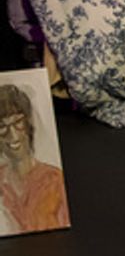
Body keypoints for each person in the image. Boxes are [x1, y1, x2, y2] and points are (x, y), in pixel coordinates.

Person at [0, 85, 69, 234]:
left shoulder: (53, 180)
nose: (13, 135)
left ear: (28, 123)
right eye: (2, 127)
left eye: (17, 122)